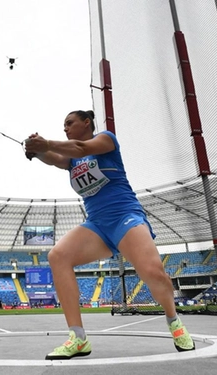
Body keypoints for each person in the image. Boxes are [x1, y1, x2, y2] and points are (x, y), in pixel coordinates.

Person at [25, 110, 195, 360]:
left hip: (125, 217)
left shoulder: (106, 140)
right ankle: (78, 338)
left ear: (86, 123)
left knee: (152, 272)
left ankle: (174, 321)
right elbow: (54, 158)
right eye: (63, 126)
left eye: (69, 123)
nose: (65, 128)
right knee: (58, 255)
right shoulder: (71, 160)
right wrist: (35, 150)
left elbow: (81, 148)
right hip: (97, 225)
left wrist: (46, 143)